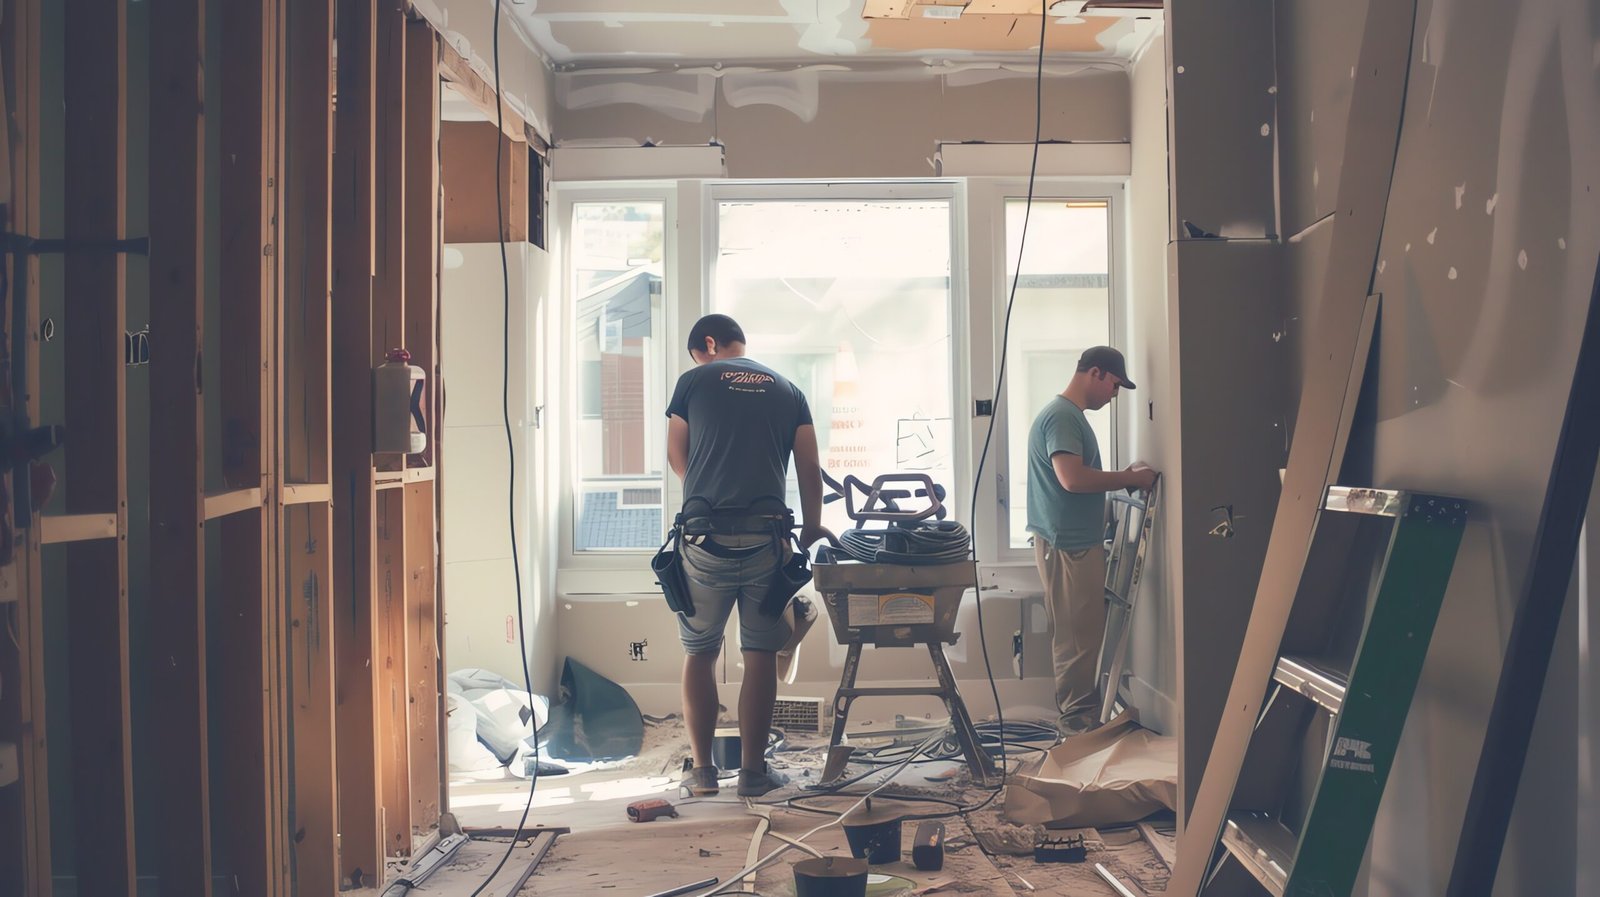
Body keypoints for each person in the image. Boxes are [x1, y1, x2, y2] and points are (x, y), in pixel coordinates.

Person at [666, 314, 832, 797]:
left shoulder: (694, 381)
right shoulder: (788, 390)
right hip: (766, 539)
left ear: (709, 344)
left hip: (705, 538)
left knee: (700, 652)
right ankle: (754, 775)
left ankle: (702, 774)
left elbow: (678, 453)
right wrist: (814, 522)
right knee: (759, 654)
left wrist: (707, 487)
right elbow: (809, 467)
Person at [1026, 346, 1158, 736]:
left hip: (1067, 541)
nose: (1115, 395)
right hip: (1069, 545)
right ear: (1096, 373)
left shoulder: (1064, 416)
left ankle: (1076, 725)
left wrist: (1123, 475)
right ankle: (1077, 731)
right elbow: (1072, 479)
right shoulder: (1064, 417)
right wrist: (1129, 478)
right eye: (1115, 385)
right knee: (1077, 640)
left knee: (1076, 636)